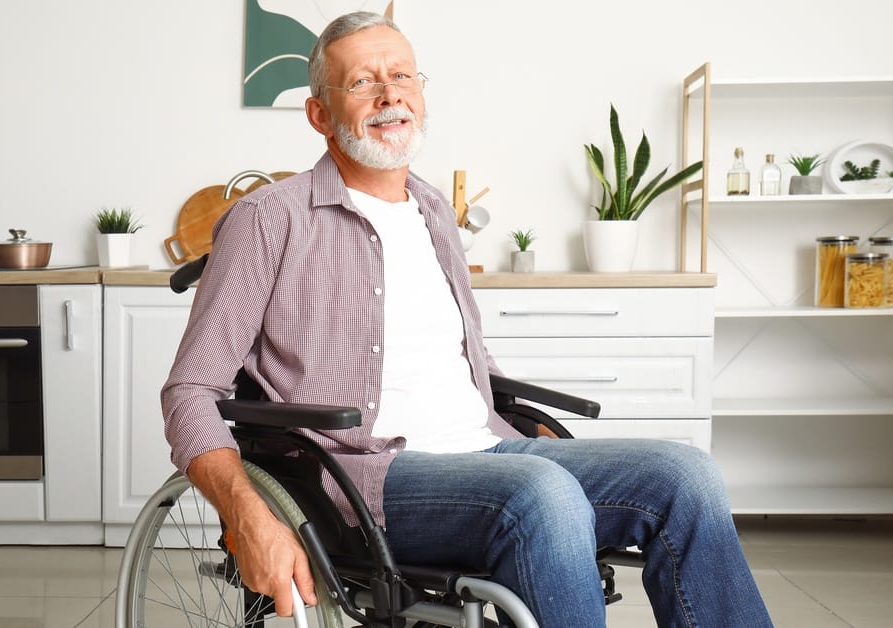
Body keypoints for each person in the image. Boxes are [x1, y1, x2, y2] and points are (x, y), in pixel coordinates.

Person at [162, 11, 773, 627]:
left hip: (491, 453)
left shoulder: (434, 210)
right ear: (320, 114)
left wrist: (522, 424)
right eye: (363, 82)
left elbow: (458, 355)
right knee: (544, 496)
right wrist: (246, 513)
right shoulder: (268, 219)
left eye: (401, 76)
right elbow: (191, 391)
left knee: (685, 476)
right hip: (362, 477)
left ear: (421, 95)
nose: (389, 94)